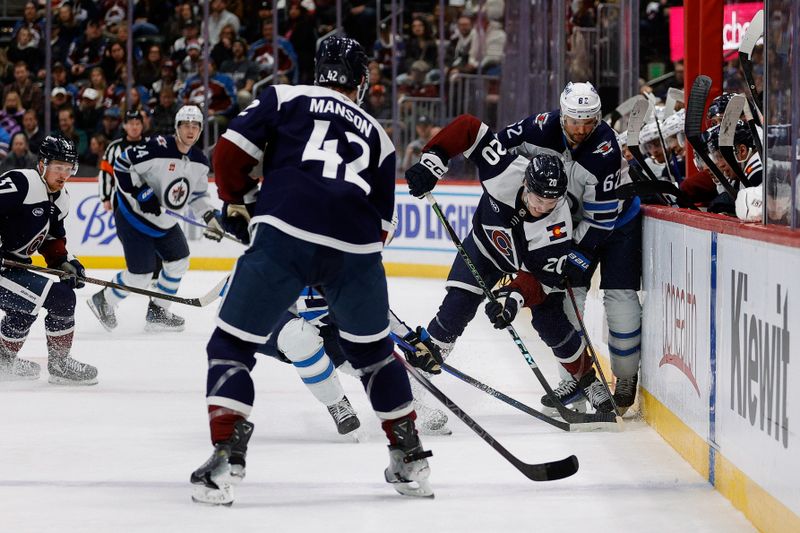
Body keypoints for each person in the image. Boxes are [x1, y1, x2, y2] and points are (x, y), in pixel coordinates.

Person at [190, 36, 433, 506]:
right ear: (360, 80)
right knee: (376, 357)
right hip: (358, 253)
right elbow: (384, 227)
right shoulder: (380, 136)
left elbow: (228, 156)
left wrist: (244, 204)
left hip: (286, 234)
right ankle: (409, 457)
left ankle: (226, 457)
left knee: (232, 344)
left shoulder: (285, 97)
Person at [404, 115, 614, 415]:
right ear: (525, 182)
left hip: (530, 266)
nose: (541, 207)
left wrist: (512, 298)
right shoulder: (503, 170)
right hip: (485, 247)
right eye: (537, 198)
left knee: (550, 323)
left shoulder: (559, 225)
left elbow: (539, 280)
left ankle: (587, 379)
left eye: (550, 202)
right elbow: (468, 127)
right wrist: (433, 159)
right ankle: (415, 388)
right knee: (457, 307)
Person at [493, 81, 640, 414]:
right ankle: (575, 381)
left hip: (618, 225)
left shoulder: (605, 150)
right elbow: (497, 149)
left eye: (589, 122)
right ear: (563, 116)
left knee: (620, 299)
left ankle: (626, 376)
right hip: (572, 225)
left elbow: (601, 221)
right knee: (567, 304)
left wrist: (578, 254)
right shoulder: (539, 127)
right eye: (575, 121)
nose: (581, 129)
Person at [86, 105, 220, 333]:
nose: (190, 130)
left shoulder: (200, 161)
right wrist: (142, 193)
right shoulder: (158, 147)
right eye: (186, 125)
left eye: (195, 126)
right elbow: (122, 164)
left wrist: (210, 217)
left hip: (165, 223)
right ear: (177, 127)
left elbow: (197, 195)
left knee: (179, 262)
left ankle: (157, 311)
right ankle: (104, 299)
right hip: (133, 217)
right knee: (141, 276)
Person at [0, 136, 98, 385]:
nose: (64, 174)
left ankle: (3, 360)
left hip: (10, 268)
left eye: (68, 168)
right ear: (42, 164)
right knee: (60, 298)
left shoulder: (61, 198)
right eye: (58, 167)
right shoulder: (22, 181)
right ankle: (60, 364)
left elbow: (52, 239)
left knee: (24, 308)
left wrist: (65, 261)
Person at [98, 109, 149, 212]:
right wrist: (106, 197)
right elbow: (106, 173)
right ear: (124, 125)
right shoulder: (114, 147)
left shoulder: (151, 145)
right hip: (121, 198)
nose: (134, 127)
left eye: (137, 123)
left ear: (142, 125)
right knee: (123, 228)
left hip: (148, 197)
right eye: (131, 124)